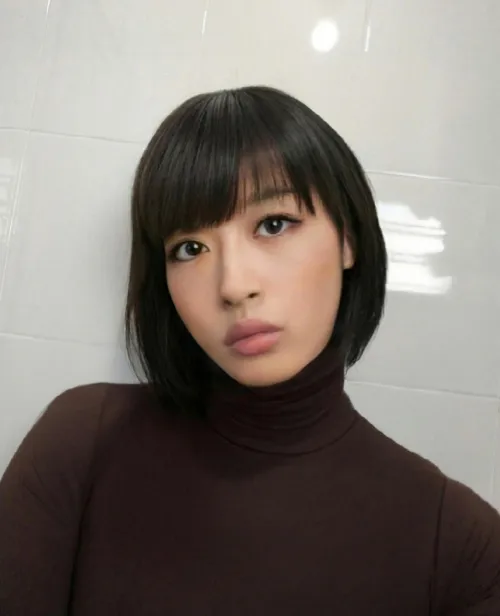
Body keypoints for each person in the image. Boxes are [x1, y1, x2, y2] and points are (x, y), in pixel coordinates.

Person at [0, 86, 499, 616]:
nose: (234, 286)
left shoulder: (463, 551)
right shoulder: (83, 440)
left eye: (273, 224)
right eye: (190, 248)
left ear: (348, 240)